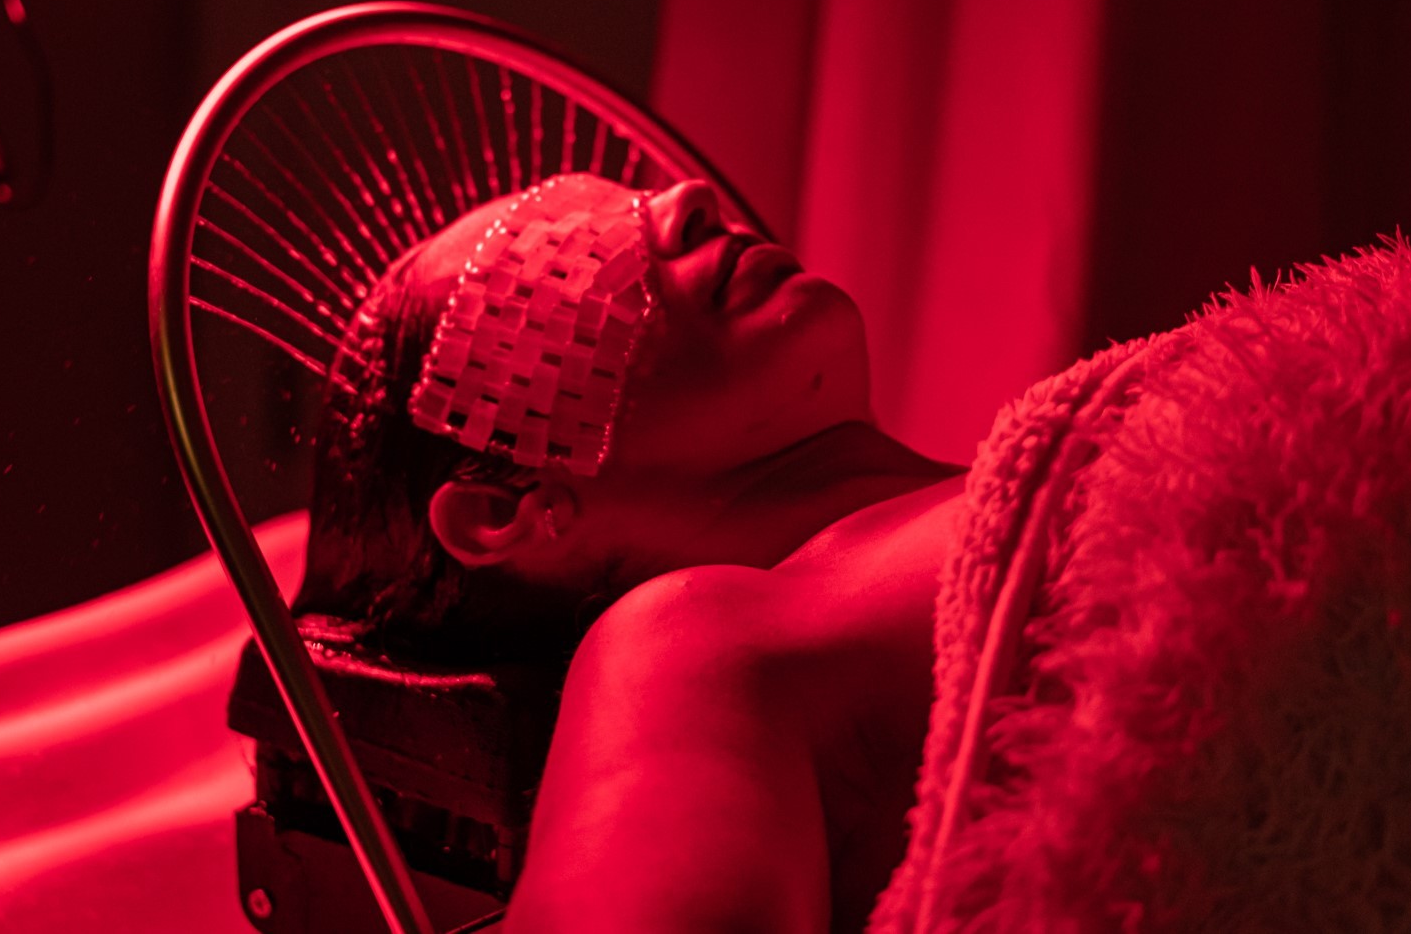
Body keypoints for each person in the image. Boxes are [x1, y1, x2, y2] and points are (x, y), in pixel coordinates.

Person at [294, 172, 964, 932]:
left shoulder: (1028, 447)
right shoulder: (689, 646)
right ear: (497, 511)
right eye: (546, 263)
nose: (692, 199)